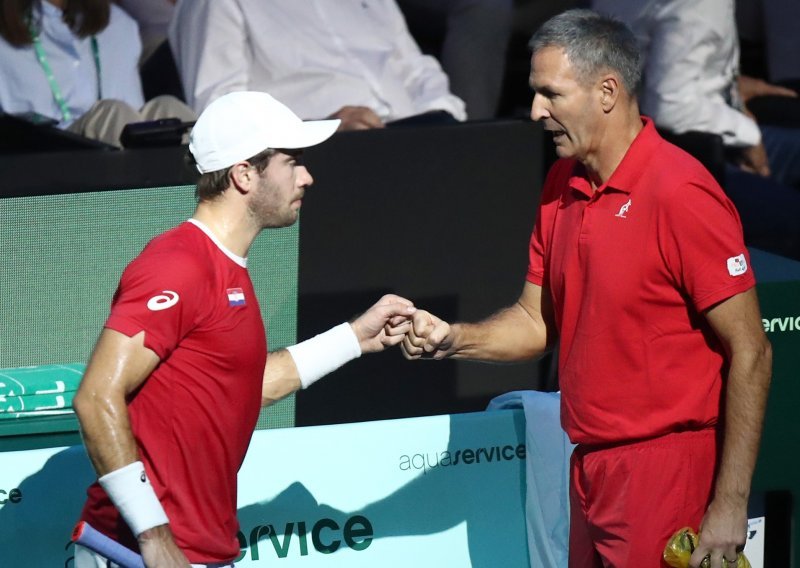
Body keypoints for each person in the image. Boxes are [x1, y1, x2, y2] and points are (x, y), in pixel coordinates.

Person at [396, 9, 772, 568]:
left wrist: (729, 504)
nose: (534, 111)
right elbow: (534, 322)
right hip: (589, 471)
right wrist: (453, 339)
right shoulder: (560, 184)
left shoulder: (681, 192)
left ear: (607, 91)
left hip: (667, 477)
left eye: (550, 93)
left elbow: (752, 352)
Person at [71, 91, 416, 567]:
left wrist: (353, 338)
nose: (307, 176)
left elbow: (240, 388)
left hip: (198, 553)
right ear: (244, 174)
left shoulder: (225, 270)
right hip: (133, 553)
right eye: (292, 162)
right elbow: (95, 398)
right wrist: (155, 537)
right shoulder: (179, 264)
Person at [167, 0, 466, 130]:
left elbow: (418, 70)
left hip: (421, 139)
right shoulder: (214, 3)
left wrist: (441, 114)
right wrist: (322, 130)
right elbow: (219, 114)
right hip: (324, 163)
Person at [0, 0, 194, 148]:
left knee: (168, 109)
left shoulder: (118, 26)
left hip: (118, 160)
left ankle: (207, 194)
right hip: (38, 165)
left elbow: (135, 119)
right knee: (111, 113)